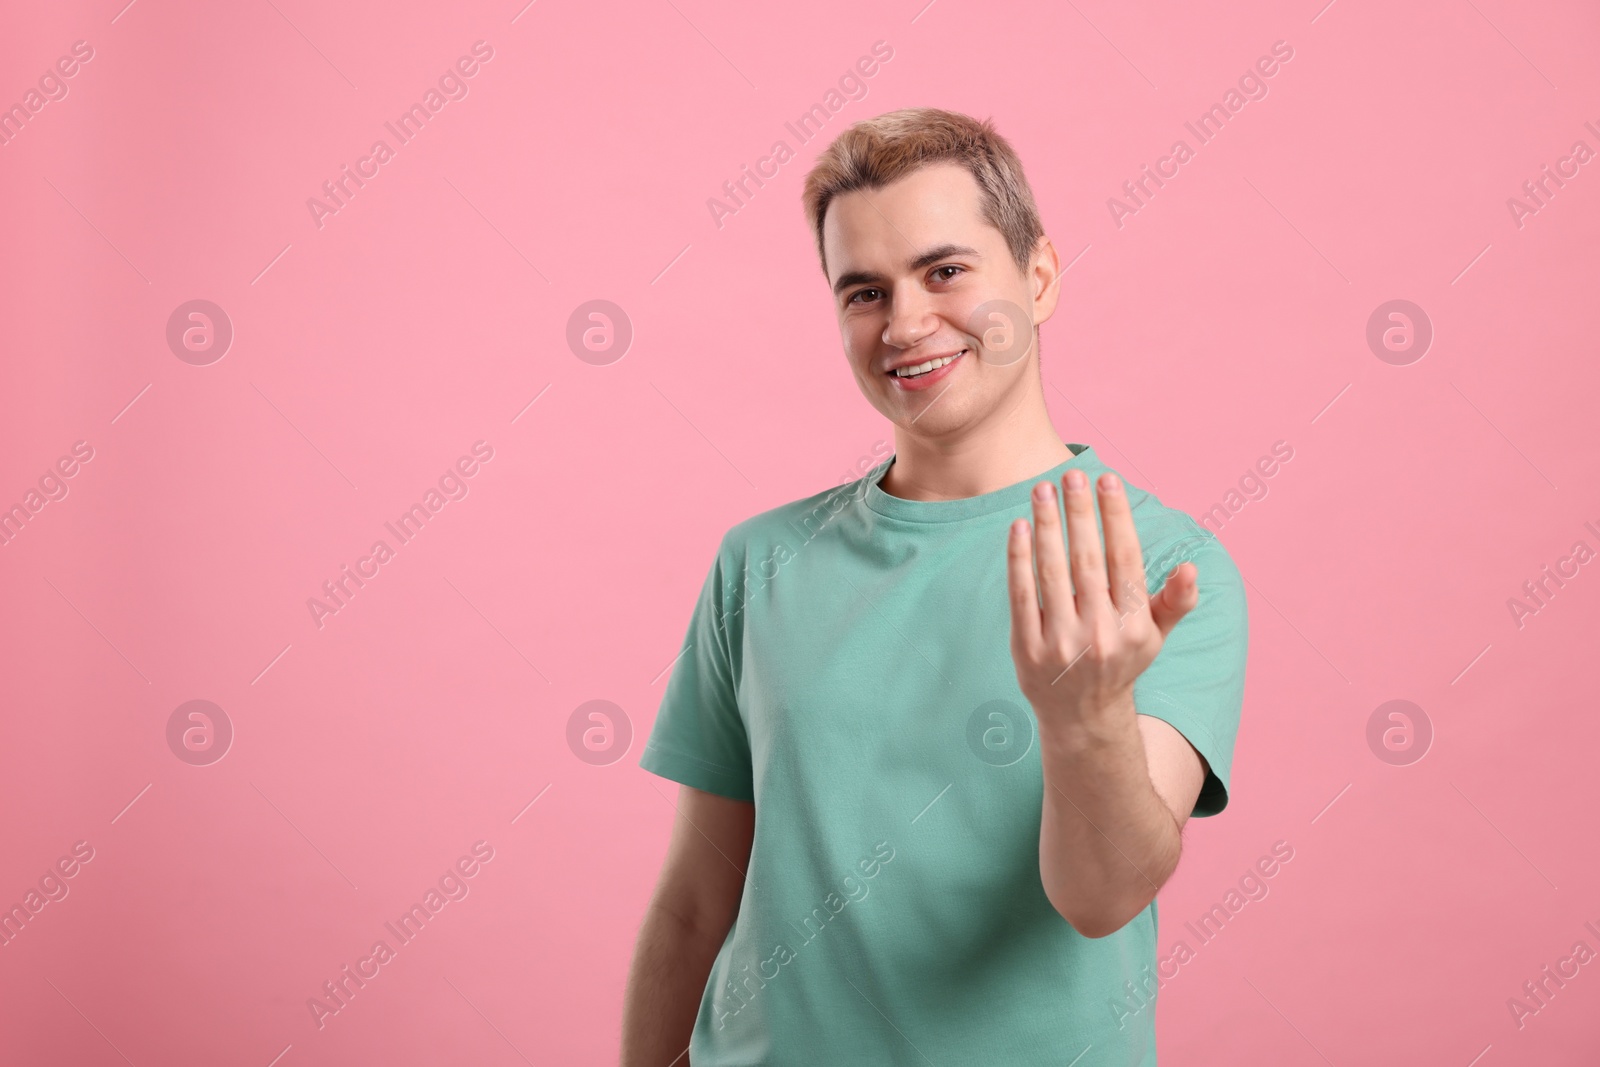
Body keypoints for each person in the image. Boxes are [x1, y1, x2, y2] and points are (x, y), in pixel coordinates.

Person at [620, 106, 1249, 1066]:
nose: (906, 324)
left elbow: (1103, 896)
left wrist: (1083, 722)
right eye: (864, 291)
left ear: (1037, 277)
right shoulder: (758, 560)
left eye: (945, 271)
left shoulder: (1160, 569)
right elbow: (697, 899)